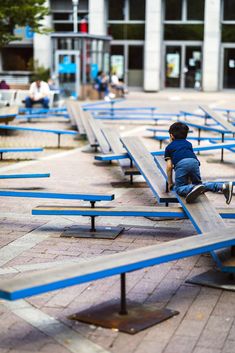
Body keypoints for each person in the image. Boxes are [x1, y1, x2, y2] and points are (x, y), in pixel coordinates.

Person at [164, 122, 233, 204]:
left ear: (171, 136)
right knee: (200, 186)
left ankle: (192, 188)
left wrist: (170, 182)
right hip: (195, 162)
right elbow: (189, 158)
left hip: (181, 164)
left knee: (179, 189)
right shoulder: (188, 144)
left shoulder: (169, 147)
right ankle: (221, 186)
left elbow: (169, 167)